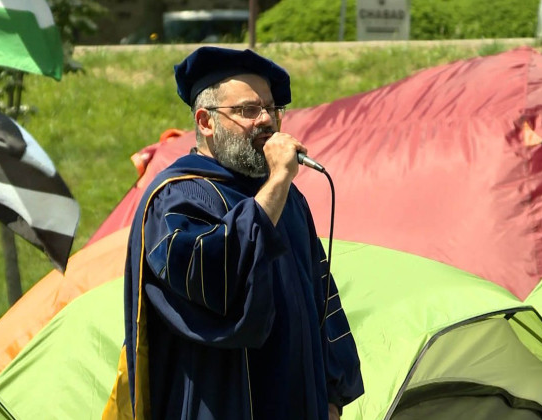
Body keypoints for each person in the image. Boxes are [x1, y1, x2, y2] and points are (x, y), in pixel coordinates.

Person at [113, 46, 364, 420]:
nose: (266, 120)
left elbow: (320, 296)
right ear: (206, 121)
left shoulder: (288, 198)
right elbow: (219, 281)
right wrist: (278, 180)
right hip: (219, 403)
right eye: (248, 110)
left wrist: (332, 394)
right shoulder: (177, 198)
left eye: (271, 109)